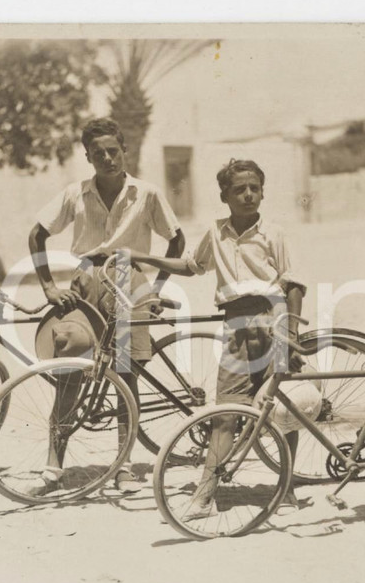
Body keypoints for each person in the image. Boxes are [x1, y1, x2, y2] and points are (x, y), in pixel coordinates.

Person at [127, 158, 307, 519]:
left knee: (282, 412)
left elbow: (293, 284)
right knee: (224, 414)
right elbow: (193, 266)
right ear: (224, 195)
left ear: (263, 191)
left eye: (254, 188)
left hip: (274, 320)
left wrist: (291, 333)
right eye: (239, 189)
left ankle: (286, 488)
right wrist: (145, 258)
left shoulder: (273, 232)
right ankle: (205, 495)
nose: (248, 195)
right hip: (236, 328)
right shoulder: (216, 232)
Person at [27, 117, 185, 495]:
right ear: (88, 157)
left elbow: (176, 241)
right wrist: (49, 286)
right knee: (69, 366)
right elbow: (36, 234)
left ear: (125, 151)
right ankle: (52, 468)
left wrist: (156, 288)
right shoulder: (74, 194)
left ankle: (124, 466)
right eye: (99, 153)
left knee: (125, 375)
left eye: (114, 151)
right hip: (86, 282)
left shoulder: (145, 194)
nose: (108, 158)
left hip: (130, 282)